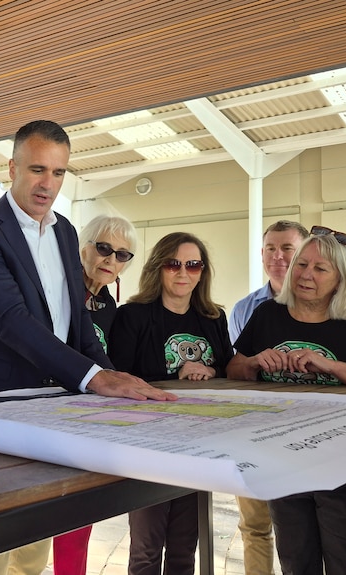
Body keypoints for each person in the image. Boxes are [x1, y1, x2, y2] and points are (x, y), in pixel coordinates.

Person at [0, 119, 175, 575]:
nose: (47, 184)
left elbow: (79, 324)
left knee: (35, 538)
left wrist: (117, 378)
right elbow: (13, 322)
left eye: (58, 172)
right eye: (37, 169)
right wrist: (96, 378)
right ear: (11, 167)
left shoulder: (66, 232)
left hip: (54, 404)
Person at [227, 229, 346, 575]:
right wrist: (255, 362)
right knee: (295, 565)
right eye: (302, 264)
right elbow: (234, 369)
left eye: (320, 269)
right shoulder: (267, 315)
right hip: (283, 462)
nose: (306, 274)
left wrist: (332, 366)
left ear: (341, 279)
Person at [110, 232, 234, 575]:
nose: (183, 272)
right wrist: (178, 372)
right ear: (158, 268)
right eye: (173, 264)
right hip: (150, 444)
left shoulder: (213, 318)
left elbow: (228, 367)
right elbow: (118, 377)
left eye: (193, 264)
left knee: (184, 549)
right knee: (147, 551)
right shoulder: (132, 316)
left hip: (199, 443)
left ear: (202, 271)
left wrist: (209, 368)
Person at [53, 214, 137, 575]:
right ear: (82, 247)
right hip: (47, 416)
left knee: (77, 519)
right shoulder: (57, 291)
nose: (110, 260)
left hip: (86, 422)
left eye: (122, 255)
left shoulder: (110, 307)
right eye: (103, 248)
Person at [228, 219, 307, 575]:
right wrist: (253, 363)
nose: (278, 256)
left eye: (287, 248)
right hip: (252, 431)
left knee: (301, 529)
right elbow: (232, 368)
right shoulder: (244, 309)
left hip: (306, 432)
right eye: (271, 249)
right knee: (255, 526)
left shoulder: (330, 304)